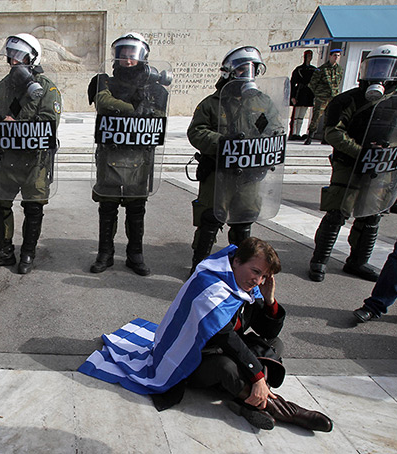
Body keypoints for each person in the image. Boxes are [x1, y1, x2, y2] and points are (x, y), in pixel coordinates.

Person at [79, 237, 333, 432]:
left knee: (274, 343)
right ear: (236, 261)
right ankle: (285, 410)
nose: (258, 280)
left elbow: (266, 332)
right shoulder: (209, 286)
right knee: (226, 368)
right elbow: (225, 337)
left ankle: (247, 401)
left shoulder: (246, 287)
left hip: (224, 347)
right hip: (196, 355)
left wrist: (269, 300)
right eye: (255, 271)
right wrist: (257, 376)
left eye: (264, 276)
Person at [308, 45, 397, 282]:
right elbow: (333, 133)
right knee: (336, 212)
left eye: (387, 67)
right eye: (375, 66)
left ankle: (358, 261)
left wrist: (393, 153)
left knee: (372, 214)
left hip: (382, 166)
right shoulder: (347, 99)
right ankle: (319, 260)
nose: (380, 72)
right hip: (349, 162)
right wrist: (360, 152)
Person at [187, 46, 281, 273]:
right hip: (218, 174)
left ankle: (239, 269)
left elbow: (276, 130)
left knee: (243, 222)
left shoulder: (263, 103)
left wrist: (268, 145)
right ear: (228, 72)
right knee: (209, 220)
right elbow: (196, 132)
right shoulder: (212, 103)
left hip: (249, 176)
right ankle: (198, 266)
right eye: (240, 69)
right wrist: (222, 141)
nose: (246, 74)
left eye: (251, 69)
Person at [87, 32, 169, 276]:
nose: (128, 59)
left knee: (136, 209)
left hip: (139, 157)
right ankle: (105, 253)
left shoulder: (155, 89)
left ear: (142, 57)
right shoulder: (104, 81)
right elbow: (102, 102)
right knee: (107, 206)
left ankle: (135, 254)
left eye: (133, 55)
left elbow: (158, 119)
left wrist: (148, 108)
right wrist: (134, 110)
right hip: (110, 154)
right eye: (123, 54)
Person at [0, 33, 62, 274]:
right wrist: (0, 123)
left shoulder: (47, 88)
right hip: (7, 161)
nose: (14, 62)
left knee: (34, 208)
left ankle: (28, 253)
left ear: (31, 58)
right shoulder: (1, 87)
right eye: (11, 56)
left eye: (19, 56)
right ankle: (4, 251)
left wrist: (16, 123)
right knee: (1, 205)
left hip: (35, 162)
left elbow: (49, 123)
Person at [304, 49, 343, 145]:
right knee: (317, 116)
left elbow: (338, 82)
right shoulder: (322, 69)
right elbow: (312, 84)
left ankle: (325, 138)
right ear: (330, 56)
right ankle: (310, 136)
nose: (336, 57)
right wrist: (318, 93)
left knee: (329, 117)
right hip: (322, 97)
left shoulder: (339, 69)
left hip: (333, 97)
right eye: (334, 55)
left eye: (338, 56)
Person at [289, 50, 315, 140]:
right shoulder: (299, 69)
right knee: (295, 116)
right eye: (308, 56)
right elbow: (292, 83)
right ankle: (294, 133)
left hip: (307, 94)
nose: (309, 58)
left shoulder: (313, 70)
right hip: (299, 93)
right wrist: (292, 96)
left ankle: (299, 132)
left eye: (311, 56)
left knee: (302, 115)